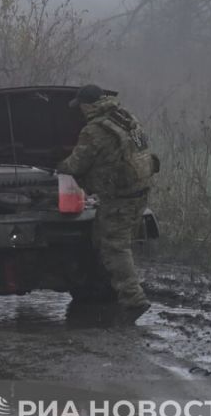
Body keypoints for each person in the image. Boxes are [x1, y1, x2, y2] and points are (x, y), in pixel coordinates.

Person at [57, 84, 156, 320]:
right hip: (139, 191)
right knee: (109, 239)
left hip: (119, 196)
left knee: (115, 246)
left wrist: (58, 166)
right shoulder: (125, 117)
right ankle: (101, 287)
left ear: (88, 105)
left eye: (80, 106)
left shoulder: (94, 130)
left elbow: (76, 164)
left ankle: (134, 300)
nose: (79, 110)